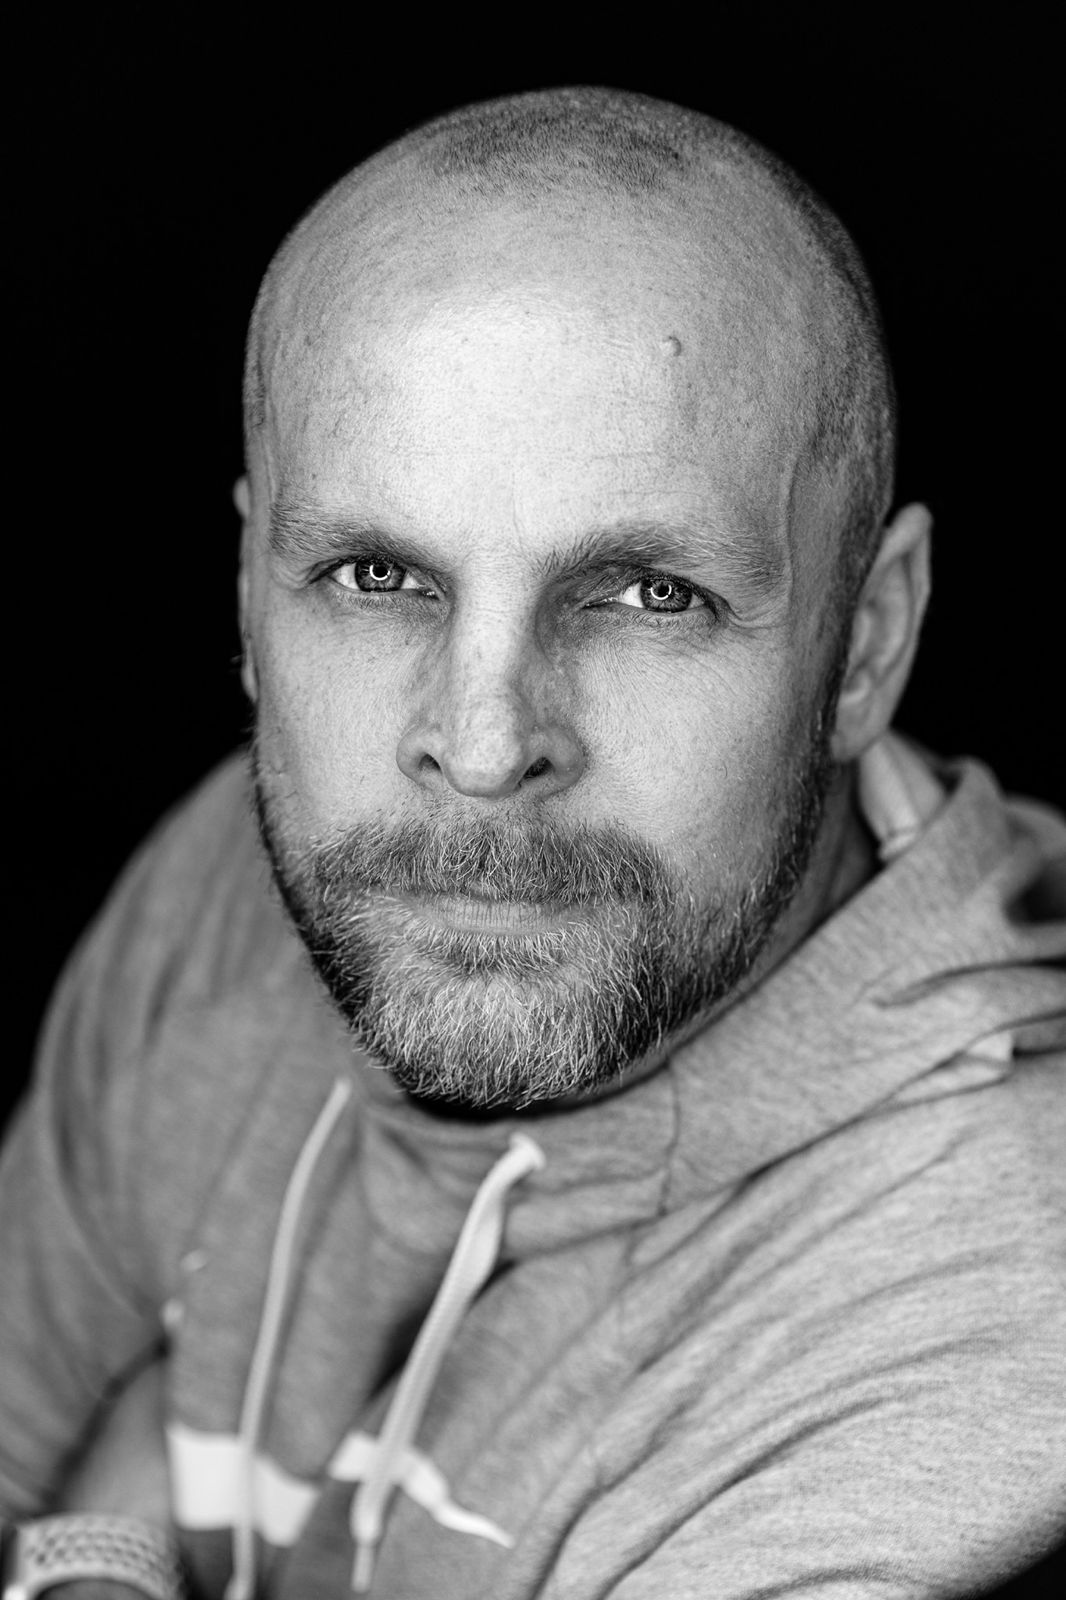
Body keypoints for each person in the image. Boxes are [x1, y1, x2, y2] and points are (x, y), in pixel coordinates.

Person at [1, 85, 1063, 1600]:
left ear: (866, 644)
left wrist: (89, 1555)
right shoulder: (240, 893)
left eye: (646, 595)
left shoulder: (973, 1337)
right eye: (376, 577)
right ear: (246, 593)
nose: (484, 751)